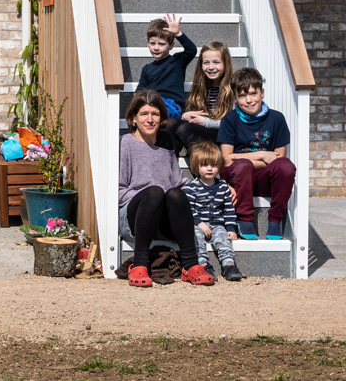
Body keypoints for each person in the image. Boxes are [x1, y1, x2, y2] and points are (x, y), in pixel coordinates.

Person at [119, 90, 214, 287]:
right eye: (144, 114)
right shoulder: (126, 143)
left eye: (155, 114)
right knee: (155, 192)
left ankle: (190, 264)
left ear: (161, 117)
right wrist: (153, 199)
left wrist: (214, 185)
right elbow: (120, 190)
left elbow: (177, 183)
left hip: (162, 219)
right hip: (134, 218)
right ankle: (139, 263)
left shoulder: (167, 143)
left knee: (176, 194)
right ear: (134, 118)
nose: (150, 119)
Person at [218, 67, 296, 240]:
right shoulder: (230, 119)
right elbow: (226, 159)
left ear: (262, 93)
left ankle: (275, 219)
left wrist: (240, 157)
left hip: (262, 178)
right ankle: (245, 218)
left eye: (253, 94)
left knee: (286, 166)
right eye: (242, 96)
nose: (248, 100)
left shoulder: (277, 118)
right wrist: (262, 155)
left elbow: (279, 158)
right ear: (235, 98)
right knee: (243, 166)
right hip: (238, 178)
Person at [182, 142, 243, 281]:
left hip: (217, 225)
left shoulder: (222, 186)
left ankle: (228, 265)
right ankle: (203, 264)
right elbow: (188, 209)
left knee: (223, 237)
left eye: (213, 165)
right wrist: (199, 223)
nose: (209, 169)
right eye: (204, 165)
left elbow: (228, 209)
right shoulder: (191, 187)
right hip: (199, 225)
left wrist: (231, 228)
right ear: (196, 166)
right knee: (195, 235)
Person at [167, 41, 235, 155]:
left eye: (216, 62)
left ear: (226, 64)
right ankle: (170, 165)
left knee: (184, 129)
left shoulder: (234, 89)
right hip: (202, 133)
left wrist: (205, 122)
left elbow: (234, 125)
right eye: (206, 63)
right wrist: (185, 115)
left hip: (223, 139)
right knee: (171, 123)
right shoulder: (199, 88)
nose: (211, 67)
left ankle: (202, 165)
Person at [134, 14, 197, 119]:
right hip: (155, 103)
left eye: (161, 44)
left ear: (171, 45)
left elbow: (191, 50)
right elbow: (140, 89)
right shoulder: (147, 68)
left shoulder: (177, 61)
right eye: (152, 43)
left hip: (173, 105)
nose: (156, 48)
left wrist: (178, 34)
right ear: (147, 44)